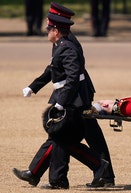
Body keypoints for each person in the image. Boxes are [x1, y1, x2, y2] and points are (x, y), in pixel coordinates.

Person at [13, 2, 116, 188]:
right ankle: (47, 175)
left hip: (74, 97)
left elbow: (73, 76)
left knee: (62, 137)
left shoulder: (68, 44)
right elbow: (53, 68)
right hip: (72, 95)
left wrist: (61, 103)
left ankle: (86, 172)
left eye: (48, 26)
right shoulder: (61, 42)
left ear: (57, 28)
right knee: (63, 137)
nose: (46, 29)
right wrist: (33, 86)